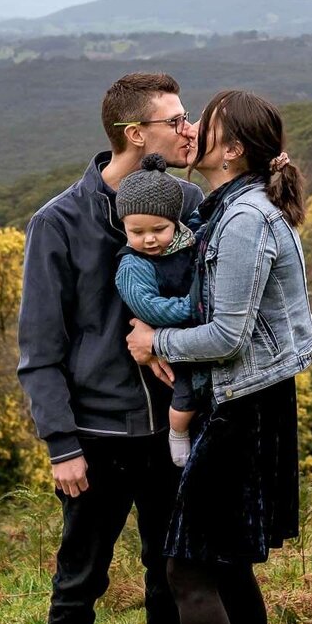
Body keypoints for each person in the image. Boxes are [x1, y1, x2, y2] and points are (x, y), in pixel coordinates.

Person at [126, 89, 312, 624]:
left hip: (243, 408)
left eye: (199, 125)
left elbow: (229, 333)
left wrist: (158, 341)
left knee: (188, 567)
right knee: (229, 561)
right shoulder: (233, 209)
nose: (186, 131)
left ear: (232, 148)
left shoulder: (243, 220)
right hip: (253, 401)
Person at [19, 73, 204, 624]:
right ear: (137, 134)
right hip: (94, 436)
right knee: (80, 576)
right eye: (175, 119)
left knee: (171, 565)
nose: (187, 129)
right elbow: (40, 349)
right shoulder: (58, 223)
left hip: (171, 427)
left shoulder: (184, 203)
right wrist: (60, 443)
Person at [113, 154, 208, 467]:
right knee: (186, 392)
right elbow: (148, 308)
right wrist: (189, 307)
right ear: (124, 227)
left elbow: (199, 226)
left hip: (201, 332)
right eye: (137, 232)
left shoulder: (184, 240)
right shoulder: (133, 264)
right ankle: (178, 433)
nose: (149, 239)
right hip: (173, 335)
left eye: (159, 229)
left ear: (174, 223)